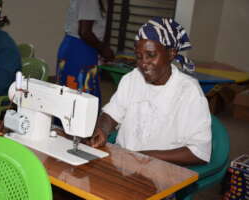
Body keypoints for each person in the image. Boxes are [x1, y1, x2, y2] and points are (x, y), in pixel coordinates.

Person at [89, 17, 212, 166]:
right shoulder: (132, 79)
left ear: (171, 53)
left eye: (151, 55)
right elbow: (112, 113)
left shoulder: (188, 92)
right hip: (124, 164)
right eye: (139, 56)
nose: (143, 64)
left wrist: (145, 157)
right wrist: (102, 130)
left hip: (162, 171)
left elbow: (199, 152)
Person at [56, 0, 114, 104]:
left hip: (75, 48)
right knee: (81, 99)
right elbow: (85, 32)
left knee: (68, 96)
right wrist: (103, 49)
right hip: (80, 51)